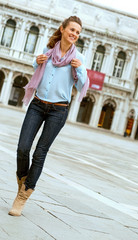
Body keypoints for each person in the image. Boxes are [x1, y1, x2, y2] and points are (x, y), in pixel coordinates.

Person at [9, 16, 89, 216]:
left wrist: (79, 69)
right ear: (62, 29)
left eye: (78, 32)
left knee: (39, 153)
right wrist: (36, 63)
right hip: (37, 105)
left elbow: (81, 87)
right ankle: (23, 180)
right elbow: (39, 73)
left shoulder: (78, 58)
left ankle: (23, 196)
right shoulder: (47, 51)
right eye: (72, 29)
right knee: (22, 148)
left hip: (58, 110)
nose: (74, 34)